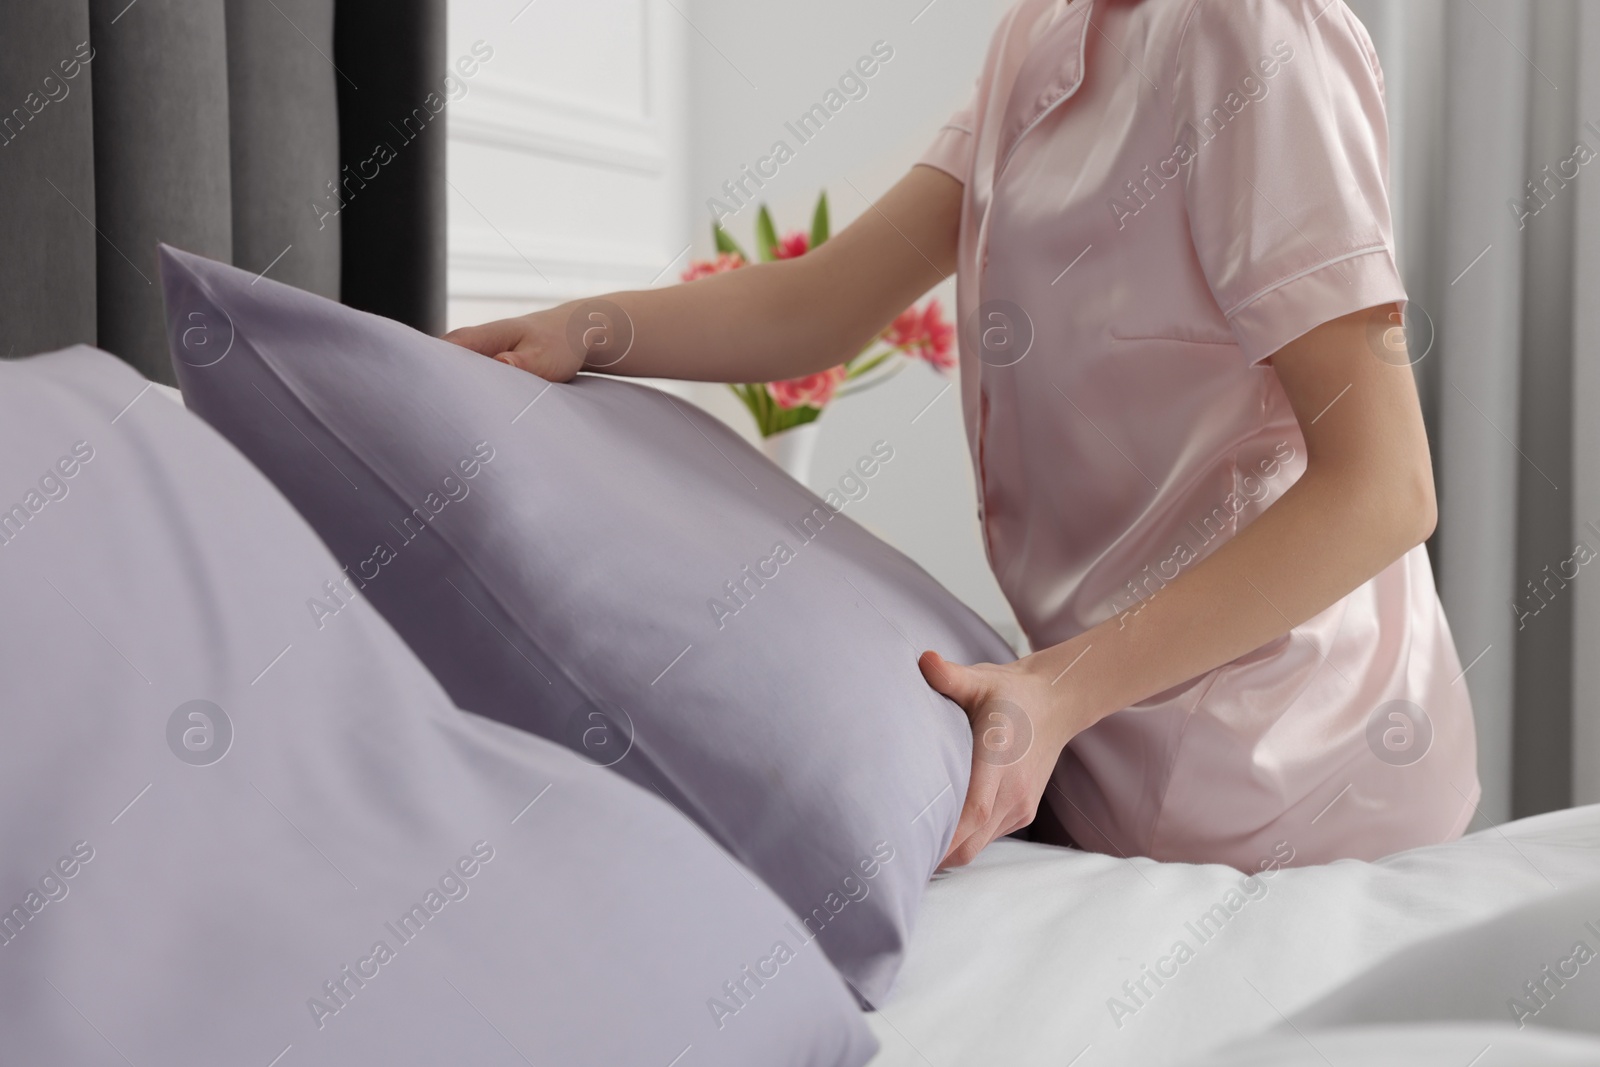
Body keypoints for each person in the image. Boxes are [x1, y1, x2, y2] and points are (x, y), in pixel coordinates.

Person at [444, 0, 1480, 873]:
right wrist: (582, 330)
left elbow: (1384, 487)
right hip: (1105, 747)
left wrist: (1058, 687)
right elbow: (820, 305)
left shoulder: (1250, 31)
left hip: (1304, 768)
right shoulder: (1042, 31)